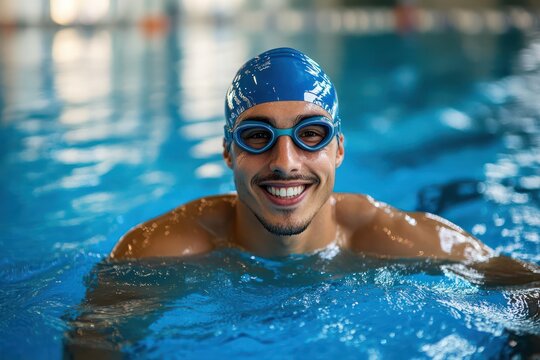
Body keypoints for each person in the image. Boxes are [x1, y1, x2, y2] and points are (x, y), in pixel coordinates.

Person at [108, 47, 498, 262]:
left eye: (310, 134)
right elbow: (94, 338)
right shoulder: (157, 252)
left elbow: (527, 289)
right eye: (257, 136)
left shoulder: (395, 238)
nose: (285, 162)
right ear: (228, 153)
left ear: (339, 149)